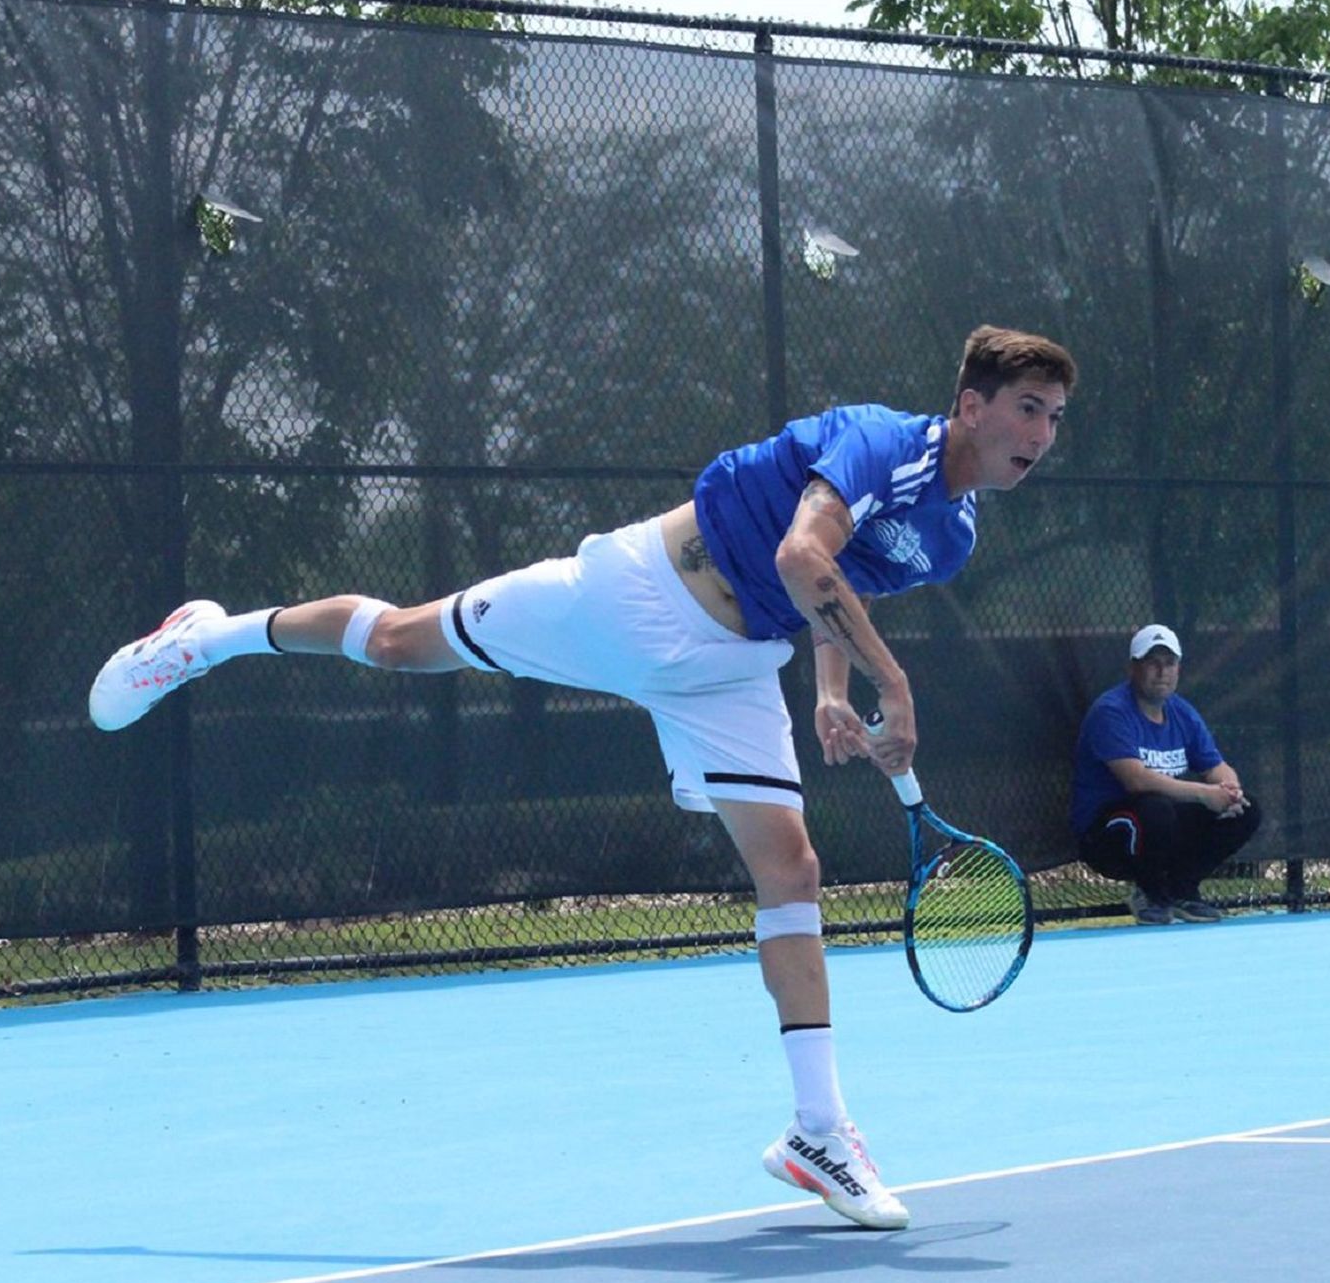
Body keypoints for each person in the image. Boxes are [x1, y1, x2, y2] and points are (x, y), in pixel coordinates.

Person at [89, 325, 1077, 1230]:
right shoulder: (877, 442)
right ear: (972, 406)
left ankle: (820, 1129)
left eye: (1055, 417)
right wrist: (891, 683)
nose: (1040, 432)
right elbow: (798, 548)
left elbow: (832, 588)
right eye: (1027, 408)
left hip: (730, 672)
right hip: (634, 596)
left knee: (793, 869)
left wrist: (831, 689)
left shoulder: (951, 536)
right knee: (394, 641)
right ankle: (206, 640)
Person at [1071, 624, 1262, 926]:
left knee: (1246, 810)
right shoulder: (1110, 712)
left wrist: (1229, 791)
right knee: (1155, 807)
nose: (1162, 671)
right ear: (1134, 668)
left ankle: (1181, 889)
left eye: (1169, 663)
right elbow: (1136, 781)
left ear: (1178, 669)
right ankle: (1150, 893)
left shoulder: (1182, 712)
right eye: (1152, 663)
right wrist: (1204, 794)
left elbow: (1216, 767)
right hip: (1106, 837)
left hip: (1163, 825)